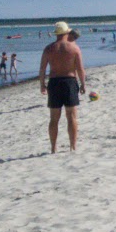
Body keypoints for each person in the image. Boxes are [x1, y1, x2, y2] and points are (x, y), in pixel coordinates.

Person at [37, 20, 86, 153]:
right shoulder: (74, 48)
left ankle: (53, 148)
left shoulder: (49, 48)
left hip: (54, 83)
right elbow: (80, 69)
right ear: (66, 32)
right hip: (69, 81)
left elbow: (42, 69)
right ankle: (73, 146)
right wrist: (83, 84)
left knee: (54, 118)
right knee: (71, 116)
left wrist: (42, 84)